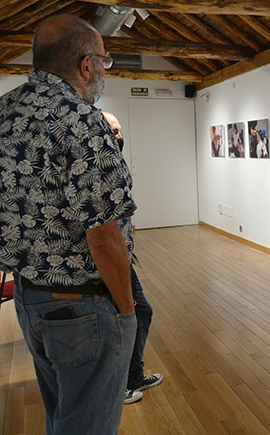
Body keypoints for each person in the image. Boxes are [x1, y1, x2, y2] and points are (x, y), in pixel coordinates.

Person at [0, 14, 136, 435]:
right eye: (104, 61)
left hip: (29, 296)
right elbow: (104, 237)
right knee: (88, 424)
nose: (103, 71)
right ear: (86, 64)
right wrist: (128, 311)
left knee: (63, 413)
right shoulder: (82, 120)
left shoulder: (5, 110)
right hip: (83, 304)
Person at [102, 111, 164, 404]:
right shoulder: (96, 168)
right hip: (106, 262)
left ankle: (134, 375)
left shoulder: (117, 164)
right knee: (119, 321)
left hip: (122, 258)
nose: (118, 136)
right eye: (111, 131)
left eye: (119, 131)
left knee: (142, 312)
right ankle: (117, 386)